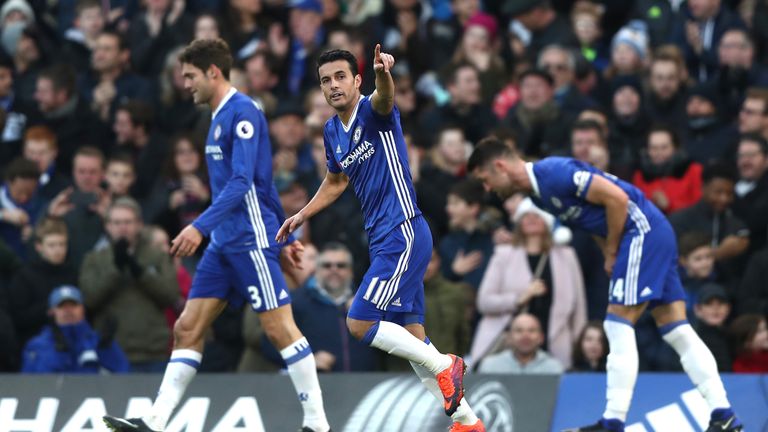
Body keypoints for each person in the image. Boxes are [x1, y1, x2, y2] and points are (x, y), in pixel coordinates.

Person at [102, 38, 330, 432]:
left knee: (279, 329)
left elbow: (244, 182)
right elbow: (264, 182)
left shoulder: (242, 113)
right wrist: (288, 234)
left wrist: (199, 225)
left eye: (190, 76)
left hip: (249, 240)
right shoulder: (217, 115)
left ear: (213, 72)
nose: (185, 83)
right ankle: (155, 422)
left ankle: (317, 423)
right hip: (224, 243)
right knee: (187, 328)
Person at [467, 137, 741, 432]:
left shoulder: (554, 172)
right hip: (647, 234)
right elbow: (593, 220)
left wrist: (612, 251)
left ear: (499, 166)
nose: (487, 189)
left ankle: (613, 421)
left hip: (641, 233)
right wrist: (609, 253)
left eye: (485, 180)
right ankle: (723, 413)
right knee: (676, 330)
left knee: (616, 325)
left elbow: (617, 199)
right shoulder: (537, 196)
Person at [276, 47, 484, 432]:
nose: (333, 85)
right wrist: (303, 213)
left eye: (341, 76)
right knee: (413, 341)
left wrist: (383, 73)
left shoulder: (375, 111)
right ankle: (468, 422)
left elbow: (385, 95)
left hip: (403, 230)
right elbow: (337, 180)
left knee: (359, 322)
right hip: (383, 238)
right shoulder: (331, 132)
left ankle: (446, 365)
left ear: (356, 81)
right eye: (326, 80)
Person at [21, 285, 130, 373]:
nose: (68, 310)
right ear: (51, 312)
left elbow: (124, 376)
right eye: (61, 306)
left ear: (83, 309)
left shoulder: (99, 341)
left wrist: (106, 350)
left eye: (73, 305)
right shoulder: (37, 345)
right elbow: (31, 385)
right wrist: (60, 354)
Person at [476, 312, 564, 374]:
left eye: (531, 330)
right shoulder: (490, 366)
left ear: (541, 338)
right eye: (519, 331)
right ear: (509, 338)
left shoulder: (554, 368)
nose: (525, 336)